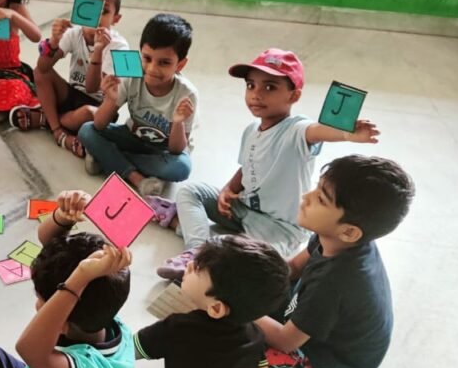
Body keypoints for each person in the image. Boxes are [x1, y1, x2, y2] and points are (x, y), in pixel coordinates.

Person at [156, 48, 381, 279]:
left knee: (247, 260)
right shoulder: (252, 130)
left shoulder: (296, 129)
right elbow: (247, 166)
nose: (256, 94)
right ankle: (196, 251)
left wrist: (346, 134)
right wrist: (228, 190)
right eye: (251, 85)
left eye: (270, 87)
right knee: (191, 192)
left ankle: (185, 227)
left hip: (281, 227)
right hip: (244, 208)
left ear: (294, 96)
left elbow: (318, 131)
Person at [254, 155, 414, 368]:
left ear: (349, 231)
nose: (305, 198)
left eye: (320, 199)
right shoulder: (334, 236)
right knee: (247, 286)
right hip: (311, 322)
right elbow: (292, 268)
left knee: (234, 340)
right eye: (316, 189)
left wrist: (238, 305)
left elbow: (286, 341)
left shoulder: (336, 282)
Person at [0, 190, 134, 368]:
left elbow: (29, 350)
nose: (38, 305)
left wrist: (79, 278)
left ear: (62, 323)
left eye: (41, 300)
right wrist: (62, 218)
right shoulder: (102, 311)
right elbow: (52, 253)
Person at [133, 235, 290, 368]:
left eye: (198, 268)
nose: (189, 264)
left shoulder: (179, 328)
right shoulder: (254, 335)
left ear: (216, 308)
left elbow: (126, 351)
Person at [79, 14, 197, 196]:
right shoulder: (131, 75)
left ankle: (109, 160)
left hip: (162, 148)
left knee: (181, 167)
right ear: (140, 53)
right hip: (131, 137)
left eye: (164, 63)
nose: (152, 69)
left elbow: (176, 149)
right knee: (86, 130)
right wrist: (110, 99)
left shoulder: (186, 93)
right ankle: (137, 178)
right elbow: (99, 125)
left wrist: (178, 122)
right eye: (147, 58)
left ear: (180, 64)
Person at [11, 0, 128, 159]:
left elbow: (91, 88)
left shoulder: (118, 46)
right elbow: (43, 68)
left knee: (88, 113)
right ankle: (59, 132)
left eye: (104, 12)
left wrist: (97, 51)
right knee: (39, 73)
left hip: (99, 108)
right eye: (90, 9)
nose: (96, 18)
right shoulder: (75, 33)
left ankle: (46, 119)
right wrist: (53, 42)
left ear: (116, 18)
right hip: (71, 95)